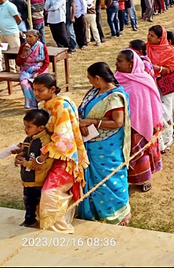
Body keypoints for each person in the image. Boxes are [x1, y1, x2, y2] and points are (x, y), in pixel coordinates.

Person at [32, 74, 89, 233]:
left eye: (40, 90)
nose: (36, 94)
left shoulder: (60, 106)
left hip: (65, 157)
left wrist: (41, 157)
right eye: (34, 90)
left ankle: (59, 228)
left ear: (52, 89)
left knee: (50, 193)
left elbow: (63, 138)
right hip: (53, 154)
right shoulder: (47, 104)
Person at [78, 62, 132, 226]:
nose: (89, 82)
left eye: (90, 79)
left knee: (111, 176)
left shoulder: (114, 97)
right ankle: (95, 209)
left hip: (107, 145)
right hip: (91, 142)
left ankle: (119, 212)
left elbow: (117, 122)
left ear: (98, 78)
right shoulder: (95, 91)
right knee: (93, 177)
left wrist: (91, 122)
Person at [115, 49, 163, 193]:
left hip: (142, 124)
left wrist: (154, 122)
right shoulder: (117, 78)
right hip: (123, 124)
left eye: (120, 61)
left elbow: (153, 103)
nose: (116, 64)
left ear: (130, 64)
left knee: (142, 153)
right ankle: (127, 178)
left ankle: (144, 179)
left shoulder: (144, 80)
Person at [13, 109, 54, 227]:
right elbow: (25, 151)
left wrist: (25, 163)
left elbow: (45, 164)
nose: (25, 130)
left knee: (38, 201)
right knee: (28, 200)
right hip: (27, 178)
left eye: (29, 127)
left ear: (40, 128)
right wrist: (19, 156)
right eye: (25, 126)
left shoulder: (45, 142)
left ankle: (41, 221)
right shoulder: (29, 138)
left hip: (38, 180)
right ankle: (29, 219)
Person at [146, 25, 174, 153]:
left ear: (159, 38)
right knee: (155, 112)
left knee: (165, 111)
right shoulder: (146, 48)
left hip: (166, 85)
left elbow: (172, 69)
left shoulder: (169, 50)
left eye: (152, 36)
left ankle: (167, 139)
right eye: (148, 34)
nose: (149, 37)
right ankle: (159, 141)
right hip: (151, 84)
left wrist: (157, 68)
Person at [16, 30, 50, 109]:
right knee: (24, 83)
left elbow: (46, 62)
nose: (27, 38)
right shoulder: (23, 46)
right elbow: (18, 62)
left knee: (38, 82)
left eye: (30, 36)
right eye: (26, 36)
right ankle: (31, 103)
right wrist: (24, 52)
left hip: (40, 68)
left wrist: (38, 72)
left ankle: (41, 102)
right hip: (26, 69)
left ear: (36, 37)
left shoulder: (42, 47)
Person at [0, 0, 23, 72]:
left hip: (12, 33)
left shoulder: (10, 6)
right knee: (6, 53)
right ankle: (11, 69)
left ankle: (20, 68)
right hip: (2, 34)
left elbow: (18, 19)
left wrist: (12, 26)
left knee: (16, 51)